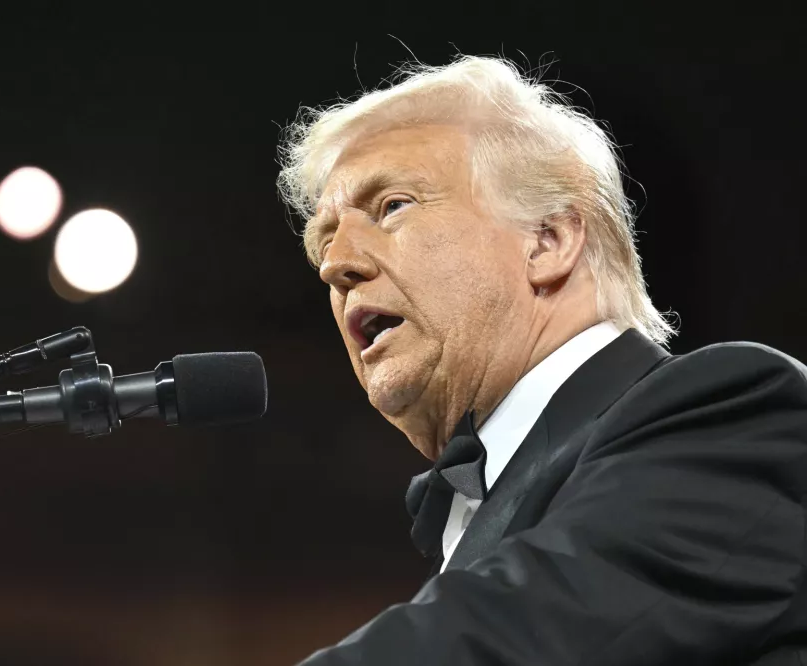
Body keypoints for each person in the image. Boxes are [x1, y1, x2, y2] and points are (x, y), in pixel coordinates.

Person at [276, 55, 807, 665]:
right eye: (324, 239)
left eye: (393, 205)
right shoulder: (476, 512)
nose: (334, 263)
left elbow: (521, 635)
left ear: (548, 240)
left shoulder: (733, 414)